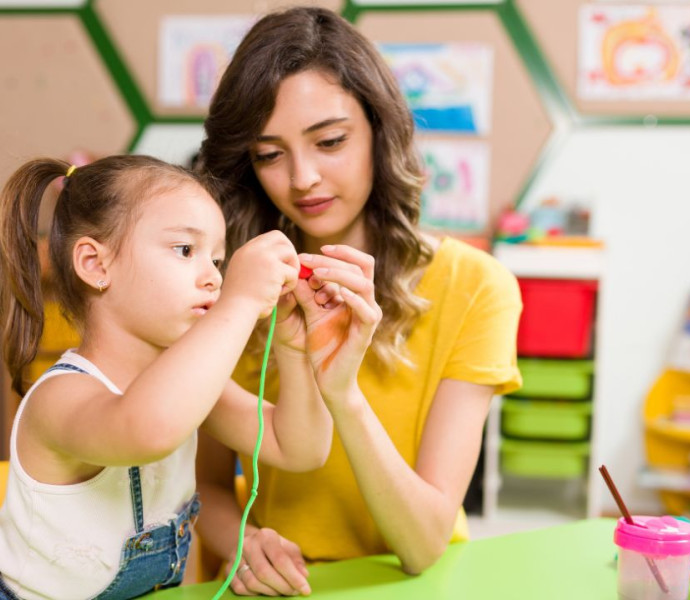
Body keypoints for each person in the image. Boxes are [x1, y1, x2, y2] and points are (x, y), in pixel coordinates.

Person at [195, 5, 522, 596]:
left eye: (330, 141)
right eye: (269, 154)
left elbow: (424, 544)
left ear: (380, 129)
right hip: (279, 587)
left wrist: (342, 393)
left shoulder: (477, 286)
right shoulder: (234, 287)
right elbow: (206, 487)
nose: (303, 178)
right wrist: (241, 540)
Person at [0, 154, 376, 599]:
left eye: (218, 261)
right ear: (96, 265)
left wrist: (293, 350)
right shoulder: (60, 398)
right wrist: (240, 301)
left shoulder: (185, 385)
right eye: (185, 250)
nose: (214, 278)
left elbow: (299, 447)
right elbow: (149, 428)